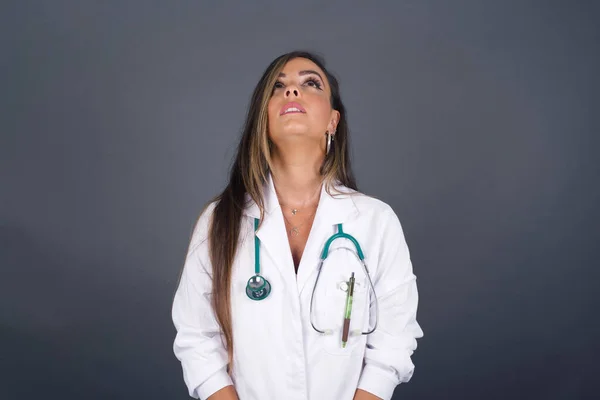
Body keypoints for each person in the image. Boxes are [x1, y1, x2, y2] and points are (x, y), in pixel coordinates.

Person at [172, 50, 423, 400]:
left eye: (310, 83)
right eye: (278, 86)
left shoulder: (375, 222)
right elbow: (196, 336)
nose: (292, 90)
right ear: (264, 119)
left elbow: (394, 340)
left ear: (332, 121)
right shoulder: (219, 221)